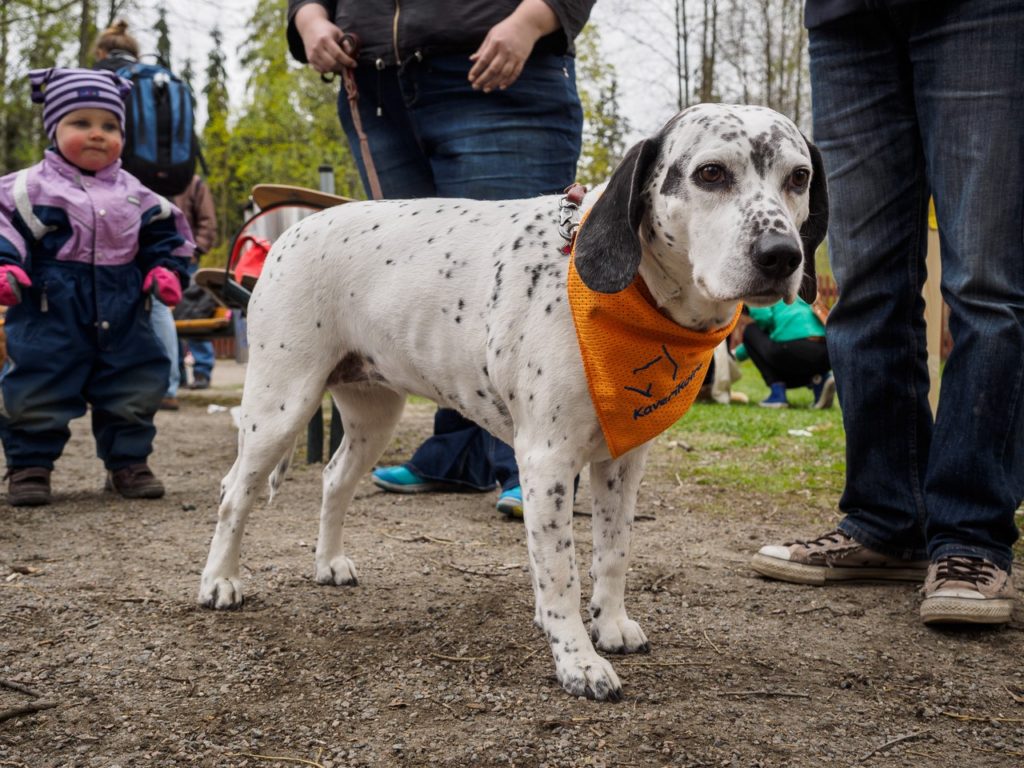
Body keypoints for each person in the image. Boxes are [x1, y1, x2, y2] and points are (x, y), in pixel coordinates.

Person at [751, 0, 1023, 625]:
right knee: (864, 284)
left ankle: (970, 538)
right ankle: (887, 520)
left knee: (986, 283)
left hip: (987, 13)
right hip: (844, 19)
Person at [288, 0, 594, 517]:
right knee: (428, 296)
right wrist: (309, 19)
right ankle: (456, 453)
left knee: (522, 291)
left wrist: (532, 19)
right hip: (378, 88)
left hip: (501, 75)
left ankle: (537, 465)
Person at [0, 67, 193, 506]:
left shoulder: (137, 194)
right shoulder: (28, 189)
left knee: (132, 384)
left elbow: (166, 236)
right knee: (36, 383)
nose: (97, 134)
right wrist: (6, 266)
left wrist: (165, 271)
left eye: (110, 126)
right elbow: (4, 226)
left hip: (124, 306)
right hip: (50, 307)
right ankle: (30, 464)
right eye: (81, 123)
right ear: (53, 128)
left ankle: (128, 462)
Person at [92, 20, 182, 410]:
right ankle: (168, 386)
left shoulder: (98, 78)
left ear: (101, 52)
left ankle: (100, 383)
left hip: (106, 191)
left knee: (98, 287)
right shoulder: (159, 81)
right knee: (155, 290)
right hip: (156, 193)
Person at [733, 299, 834, 409]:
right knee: (794, 355)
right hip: (827, 351)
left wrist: (735, 354)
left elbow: (764, 318)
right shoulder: (799, 296)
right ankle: (820, 381)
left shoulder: (760, 295)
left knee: (750, 331)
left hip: (794, 348)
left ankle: (777, 394)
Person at [173, 175, 219, 390]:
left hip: (187, 259)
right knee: (166, 317)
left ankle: (202, 370)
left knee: (193, 312)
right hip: (158, 258)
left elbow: (207, 220)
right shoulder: (146, 177)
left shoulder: (193, 183)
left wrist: (196, 249)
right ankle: (176, 373)